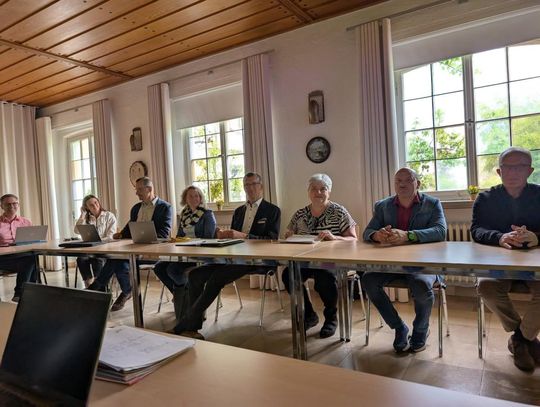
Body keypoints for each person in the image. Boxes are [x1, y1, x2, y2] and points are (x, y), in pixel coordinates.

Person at [174, 172, 280, 339]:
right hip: (234, 257)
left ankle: (184, 325)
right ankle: (193, 328)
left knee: (216, 278)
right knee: (195, 275)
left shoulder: (273, 210)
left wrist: (244, 236)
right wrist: (223, 236)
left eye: (254, 184)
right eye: (247, 185)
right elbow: (232, 239)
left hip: (257, 259)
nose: (250, 188)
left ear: (261, 187)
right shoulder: (239, 211)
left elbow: (272, 240)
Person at [362, 168, 446, 353]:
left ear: (418, 183)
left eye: (408, 180)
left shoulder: (432, 203)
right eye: (398, 181)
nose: (402, 184)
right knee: (368, 279)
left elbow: (440, 231)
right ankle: (399, 327)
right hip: (392, 264)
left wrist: (409, 235)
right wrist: (377, 235)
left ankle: (421, 331)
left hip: (424, 263)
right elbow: (367, 232)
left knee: (420, 284)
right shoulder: (382, 206)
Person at [472, 146, 540, 371]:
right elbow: (476, 230)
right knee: (486, 286)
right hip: (499, 265)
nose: (513, 172)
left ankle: (520, 340)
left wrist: (536, 237)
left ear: (529, 170)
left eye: (519, 166)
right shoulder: (485, 198)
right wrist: (500, 237)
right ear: (499, 171)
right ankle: (526, 338)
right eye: (507, 167)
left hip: (535, 265)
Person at [282, 173, 357, 338]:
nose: (318, 193)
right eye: (314, 189)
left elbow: (353, 239)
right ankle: (309, 314)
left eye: (323, 189)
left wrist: (335, 237)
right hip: (305, 261)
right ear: (308, 192)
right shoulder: (300, 214)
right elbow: (289, 234)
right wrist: (289, 235)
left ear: (329, 191)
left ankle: (331, 318)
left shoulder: (339, 211)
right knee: (288, 275)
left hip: (331, 262)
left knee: (324, 278)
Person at [88, 177, 172, 311]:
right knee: (117, 260)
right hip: (132, 251)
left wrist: (145, 236)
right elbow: (129, 229)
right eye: (136, 190)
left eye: (139, 190)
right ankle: (126, 291)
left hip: (151, 253)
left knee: (117, 260)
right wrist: (120, 234)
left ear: (149, 189)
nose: (136, 193)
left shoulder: (165, 207)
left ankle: (102, 286)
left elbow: (164, 233)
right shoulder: (136, 208)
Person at [154, 186, 216, 317]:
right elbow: (180, 236)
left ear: (201, 198)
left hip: (201, 255)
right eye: (190, 196)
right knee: (159, 267)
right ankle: (184, 294)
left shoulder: (207, 214)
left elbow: (209, 238)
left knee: (172, 270)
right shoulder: (184, 215)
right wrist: (174, 240)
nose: (194, 198)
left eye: (196, 196)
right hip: (184, 253)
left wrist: (191, 243)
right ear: (185, 199)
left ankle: (186, 297)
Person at [0, 194, 38, 302]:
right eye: (8, 204)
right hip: (3, 258)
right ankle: (24, 294)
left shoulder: (26, 222)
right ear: (1, 206)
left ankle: (21, 295)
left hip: (21, 256)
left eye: (14, 203)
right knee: (31, 263)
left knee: (31, 259)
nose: (11, 206)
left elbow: (33, 240)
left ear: (18, 205)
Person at [74, 194, 117, 287]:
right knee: (81, 259)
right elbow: (76, 231)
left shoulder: (109, 216)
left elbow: (111, 236)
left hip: (105, 249)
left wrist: (97, 241)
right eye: (91, 205)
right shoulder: (86, 218)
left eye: (96, 202)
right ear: (87, 208)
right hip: (90, 250)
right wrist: (82, 215)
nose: (94, 205)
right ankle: (88, 285)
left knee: (97, 260)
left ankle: (99, 285)